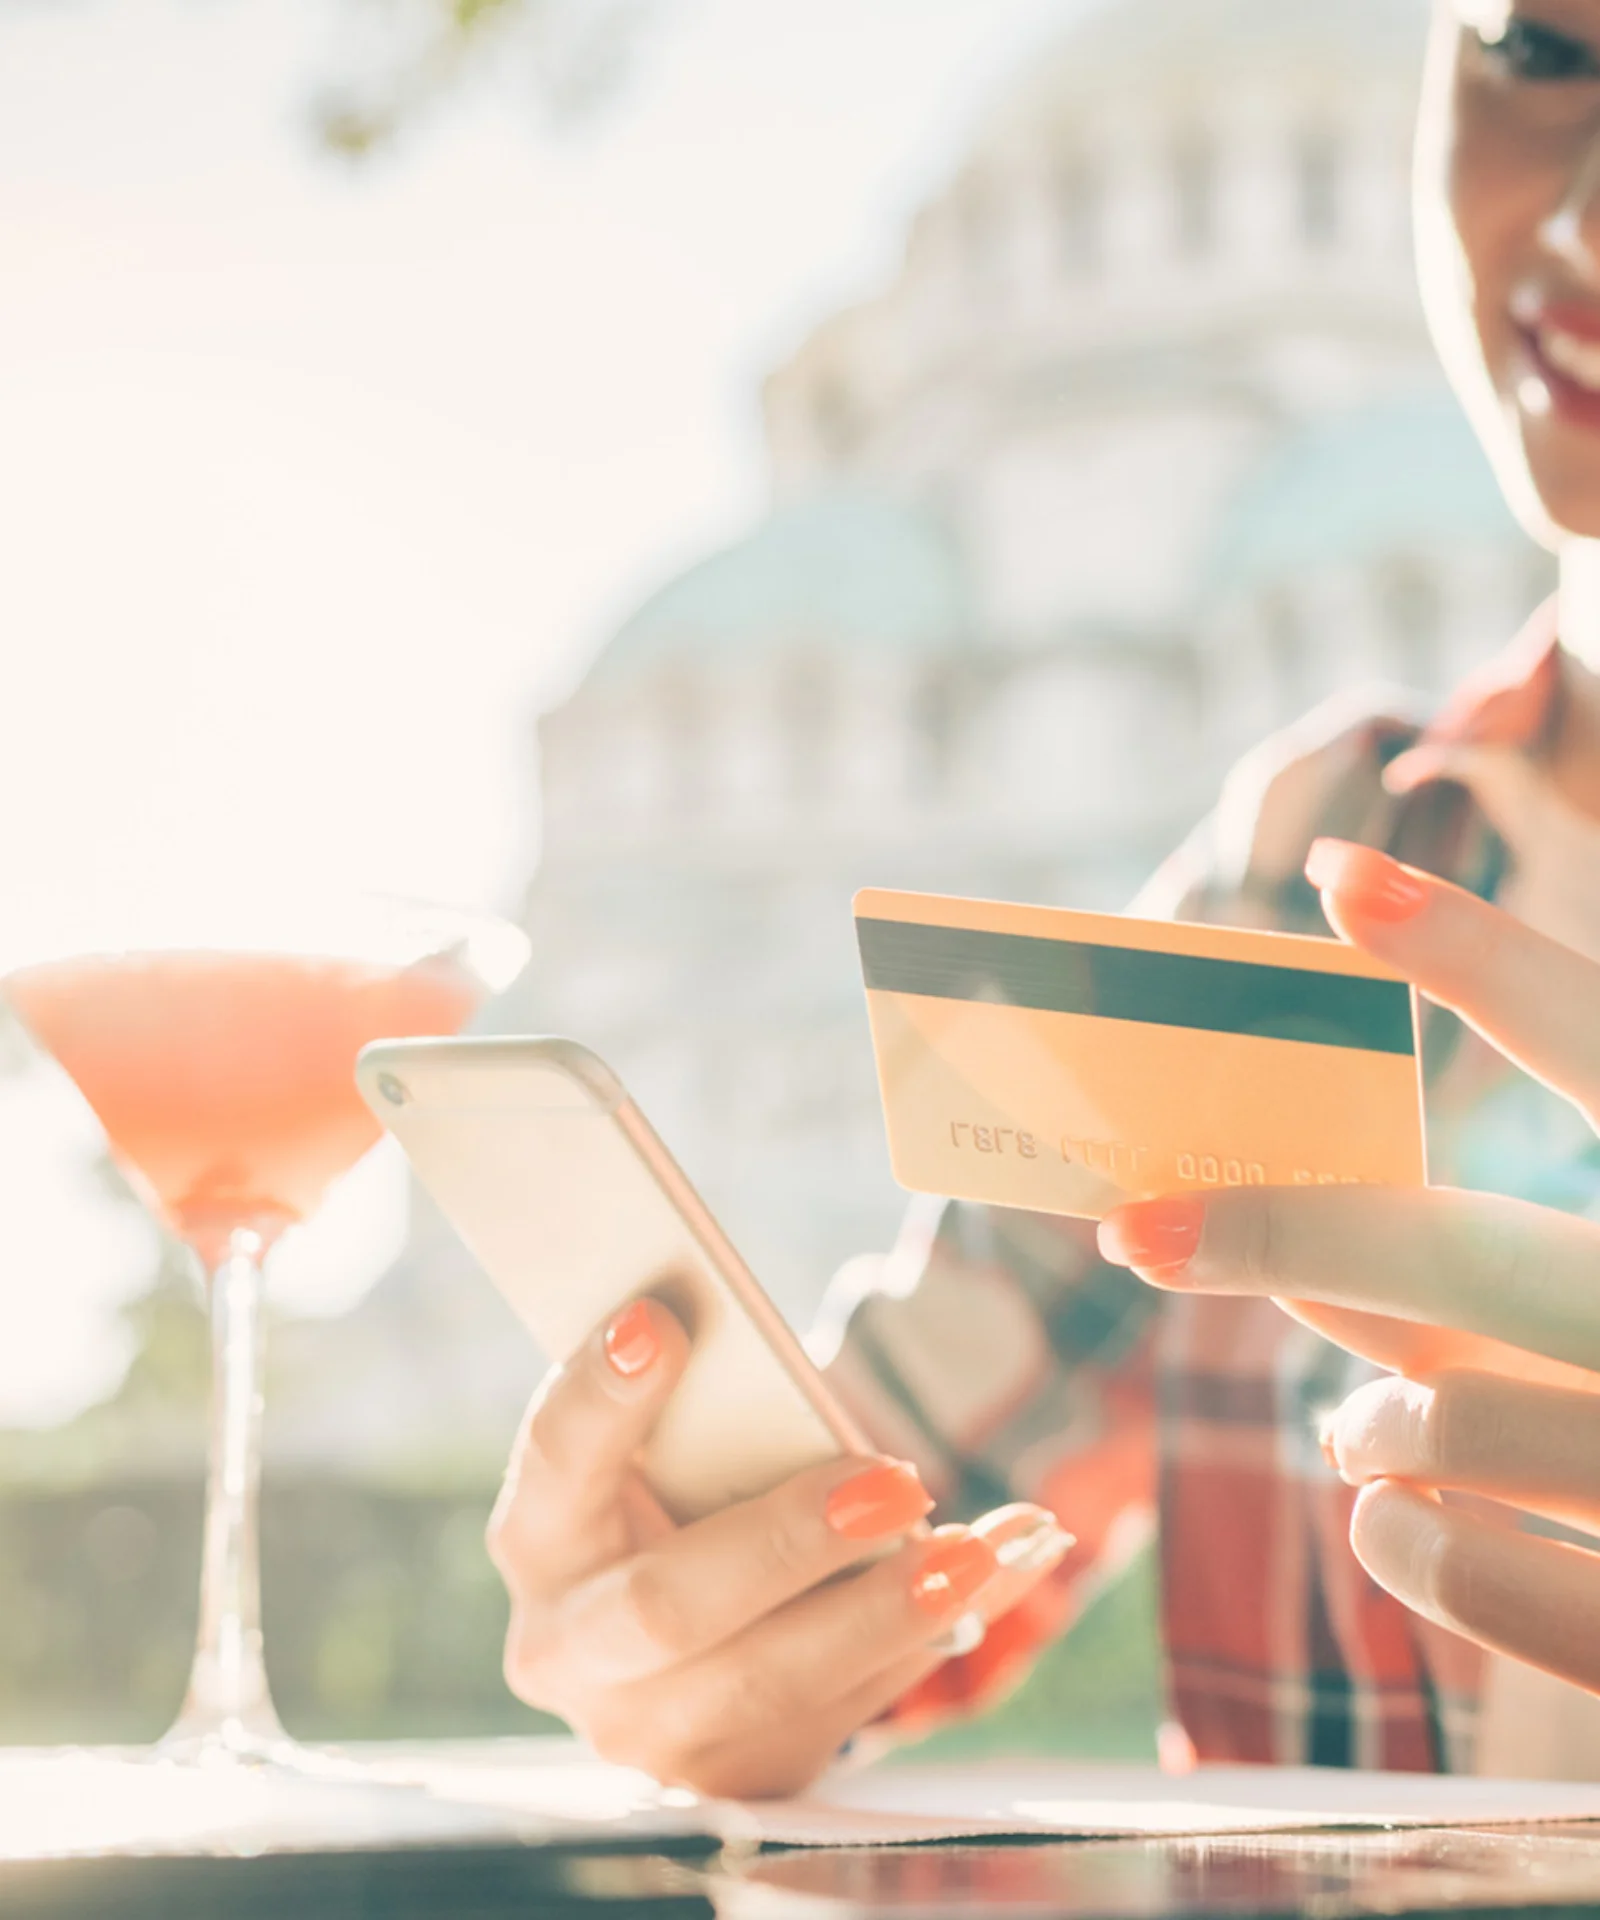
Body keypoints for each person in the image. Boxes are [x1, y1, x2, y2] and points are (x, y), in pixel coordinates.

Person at [486, 0, 1600, 1794]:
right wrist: (687, 1609)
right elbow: (869, 1530)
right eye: (1543, 56)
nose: (1587, 225)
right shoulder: (1316, 859)